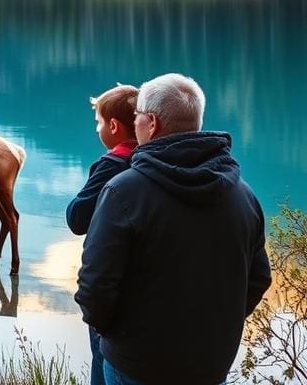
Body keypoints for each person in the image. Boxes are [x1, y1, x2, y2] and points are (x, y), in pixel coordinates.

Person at [75, 73, 272, 385]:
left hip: (134, 365)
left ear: (151, 123)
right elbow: (259, 277)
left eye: (137, 115)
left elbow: (95, 285)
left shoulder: (123, 192)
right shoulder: (243, 195)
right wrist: (215, 331)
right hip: (209, 366)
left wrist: (116, 335)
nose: (135, 122)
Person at [66, 83, 138, 385]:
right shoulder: (158, 160)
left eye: (98, 122)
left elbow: (77, 218)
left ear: (113, 126)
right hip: (145, 294)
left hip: (111, 293)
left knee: (102, 361)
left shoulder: (112, 164)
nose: (97, 128)